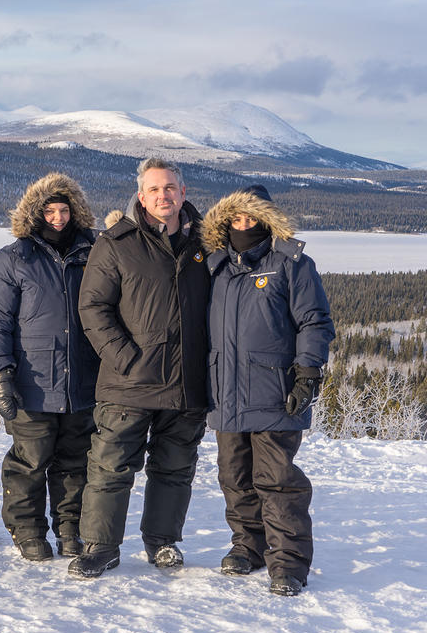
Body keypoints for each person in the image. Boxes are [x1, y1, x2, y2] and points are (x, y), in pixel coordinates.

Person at [68, 158, 210, 579]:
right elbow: (92, 307)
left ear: (183, 193)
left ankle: (162, 542)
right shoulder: (117, 242)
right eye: (154, 189)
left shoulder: (206, 242)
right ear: (140, 195)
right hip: (128, 381)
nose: (162, 196)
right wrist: (124, 358)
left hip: (186, 381)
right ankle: (100, 546)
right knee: (110, 466)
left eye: (170, 188)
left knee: (175, 468)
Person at [201, 184, 334, 596]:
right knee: (234, 477)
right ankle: (248, 547)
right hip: (224, 392)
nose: (244, 225)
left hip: (275, 390)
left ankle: (288, 565)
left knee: (277, 480)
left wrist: (308, 373)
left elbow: (314, 321)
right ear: (225, 221)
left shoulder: (291, 263)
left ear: (266, 219)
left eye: (252, 218)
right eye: (236, 218)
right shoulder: (214, 266)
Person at [0, 173, 100, 562]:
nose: (58, 217)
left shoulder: (93, 253)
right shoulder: (15, 258)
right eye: (49, 210)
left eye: (65, 209)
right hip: (33, 381)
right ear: (35, 214)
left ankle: (69, 530)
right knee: (29, 461)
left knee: (74, 462)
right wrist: (0, 373)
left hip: (81, 380)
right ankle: (28, 529)